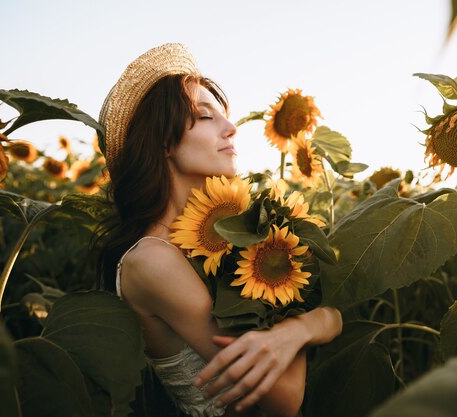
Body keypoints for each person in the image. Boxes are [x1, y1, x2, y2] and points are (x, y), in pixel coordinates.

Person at [96, 43, 342, 417]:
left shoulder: (214, 239)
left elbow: (327, 320)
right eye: (205, 116)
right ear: (162, 140)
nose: (231, 129)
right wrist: (311, 323)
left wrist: (304, 328)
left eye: (224, 115)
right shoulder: (153, 260)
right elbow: (283, 399)